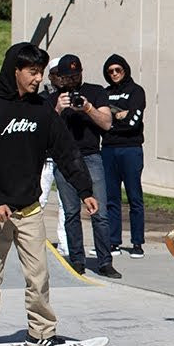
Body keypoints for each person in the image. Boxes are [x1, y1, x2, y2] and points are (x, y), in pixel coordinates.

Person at [0, 42, 98, 346]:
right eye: (32, 72)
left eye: (40, 73)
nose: (38, 79)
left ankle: (42, 331)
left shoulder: (42, 111)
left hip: (28, 210)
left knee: (38, 276)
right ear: (15, 71)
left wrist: (84, 189)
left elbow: (66, 151)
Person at [48, 53, 121, 278]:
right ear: (59, 77)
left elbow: (107, 123)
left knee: (99, 212)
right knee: (71, 212)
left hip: (91, 156)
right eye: (68, 76)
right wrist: (58, 109)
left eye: (76, 74)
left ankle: (104, 261)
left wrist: (88, 108)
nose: (72, 80)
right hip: (64, 159)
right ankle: (77, 260)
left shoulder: (95, 91)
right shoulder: (51, 98)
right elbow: (43, 129)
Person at [102, 53, 147, 258]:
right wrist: (119, 116)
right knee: (111, 198)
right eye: (110, 71)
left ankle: (137, 242)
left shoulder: (136, 91)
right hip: (109, 150)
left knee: (134, 197)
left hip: (131, 149)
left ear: (125, 70)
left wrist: (113, 121)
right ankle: (113, 242)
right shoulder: (104, 93)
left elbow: (133, 123)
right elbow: (101, 123)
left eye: (117, 70)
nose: (114, 74)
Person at [37, 57, 70, 258]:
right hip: (46, 159)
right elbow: (43, 126)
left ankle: (65, 247)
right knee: (38, 200)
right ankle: (35, 242)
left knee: (66, 204)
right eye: (58, 74)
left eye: (65, 74)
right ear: (50, 76)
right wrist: (57, 108)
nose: (62, 78)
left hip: (65, 157)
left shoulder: (74, 97)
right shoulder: (42, 98)